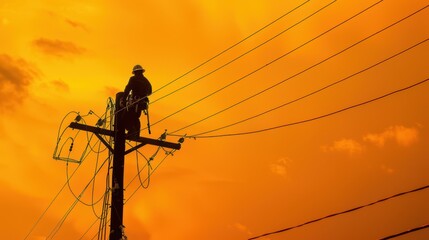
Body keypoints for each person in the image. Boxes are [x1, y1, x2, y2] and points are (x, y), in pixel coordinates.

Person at [123, 64, 152, 139]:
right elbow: (150, 91)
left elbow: (127, 89)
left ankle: (132, 131)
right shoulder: (146, 81)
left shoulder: (133, 79)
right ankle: (136, 134)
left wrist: (123, 99)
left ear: (135, 72)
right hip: (142, 103)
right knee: (136, 117)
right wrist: (144, 95)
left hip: (135, 102)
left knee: (126, 116)